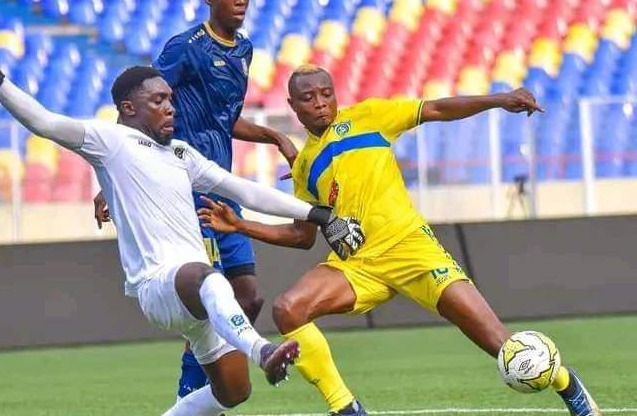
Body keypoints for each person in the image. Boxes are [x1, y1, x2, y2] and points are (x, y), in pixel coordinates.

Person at [0, 30, 365, 415]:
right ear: (128, 107)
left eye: (170, 99)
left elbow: (243, 189)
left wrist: (317, 213)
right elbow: (43, 122)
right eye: (157, 101)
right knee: (210, 277)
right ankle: (263, 350)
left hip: (195, 298)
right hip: (160, 284)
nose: (169, 107)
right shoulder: (109, 142)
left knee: (232, 393)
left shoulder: (181, 154)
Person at [197, 65, 602, 416]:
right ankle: (344, 406)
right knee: (289, 310)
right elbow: (303, 236)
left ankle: (567, 382)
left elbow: (436, 109)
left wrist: (498, 99)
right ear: (293, 106)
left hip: (412, 249)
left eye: (326, 93)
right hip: (358, 266)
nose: (320, 102)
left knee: (499, 344)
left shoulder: (369, 116)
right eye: (309, 98)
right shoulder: (305, 168)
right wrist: (243, 225)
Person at [92, 0, 298, 399]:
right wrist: (109, 177)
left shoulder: (243, 52)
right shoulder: (185, 47)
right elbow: (141, 101)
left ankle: (214, 380)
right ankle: (192, 390)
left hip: (221, 185)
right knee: (209, 294)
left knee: (250, 296)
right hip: (183, 191)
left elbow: (227, 119)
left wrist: (275, 137)